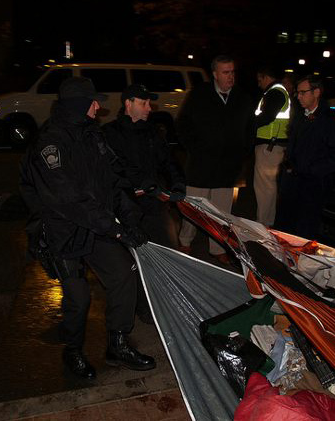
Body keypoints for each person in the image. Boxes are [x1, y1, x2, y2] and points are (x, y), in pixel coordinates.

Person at [19, 77, 156, 380]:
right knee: (78, 296)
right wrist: (116, 230)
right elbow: (69, 200)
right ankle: (73, 351)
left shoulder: (92, 135)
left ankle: (118, 344)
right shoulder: (50, 144)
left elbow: (114, 179)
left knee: (123, 274)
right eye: (93, 102)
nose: (98, 107)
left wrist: (130, 218)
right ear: (78, 106)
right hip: (61, 229)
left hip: (94, 224)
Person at [176, 55, 253, 264]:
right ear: (215, 74)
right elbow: (183, 124)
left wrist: (241, 151)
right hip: (201, 165)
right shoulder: (199, 95)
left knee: (221, 213)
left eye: (233, 72)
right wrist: (195, 148)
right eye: (226, 72)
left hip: (227, 168)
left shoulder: (242, 98)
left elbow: (249, 128)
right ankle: (185, 240)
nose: (231, 76)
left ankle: (217, 247)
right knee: (194, 207)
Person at [103, 84, 186, 247]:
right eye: (144, 103)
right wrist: (144, 182)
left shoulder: (152, 131)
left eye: (149, 103)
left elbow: (168, 160)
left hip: (154, 202)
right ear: (128, 103)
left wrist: (178, 183)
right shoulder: (110, 133)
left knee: (169, 246)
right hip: (125, 205)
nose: (149, 108)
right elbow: (119, 166)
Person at [274, 76, 335, 240]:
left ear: (316, 92)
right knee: (284, 229)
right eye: (297, 93)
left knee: (303, 233)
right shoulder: (300, 116)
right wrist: (283, 174)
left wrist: (311, 170)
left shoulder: (331, 121)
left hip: (311, 187)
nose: (298, 96)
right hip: (291, 185)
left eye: (302, 92)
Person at [253, 67, 294, 227]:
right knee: (268, 186)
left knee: (264, 187)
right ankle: (267, 222)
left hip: (270, 146)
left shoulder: (275, 92)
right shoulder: (278, 91)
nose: (258, 84)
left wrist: (248, 125)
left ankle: (263, 223)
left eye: (259, 79)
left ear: (266, 77)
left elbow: (266, 117)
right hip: (273, 145)